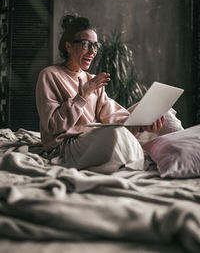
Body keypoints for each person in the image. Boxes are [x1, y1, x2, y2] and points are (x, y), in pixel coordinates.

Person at [35, 14, 172, 174]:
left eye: (95, 45)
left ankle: (185, 155)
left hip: (95, 136)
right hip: (67, 144)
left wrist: (143, 124)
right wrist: (83, 95)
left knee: (167, 115)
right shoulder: (50, 75)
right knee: (115, 134)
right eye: (86, 44)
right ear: (69, 46)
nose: (92, 51)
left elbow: (112, 116)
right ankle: (137, 155)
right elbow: (52, 126)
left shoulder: (92, 79)